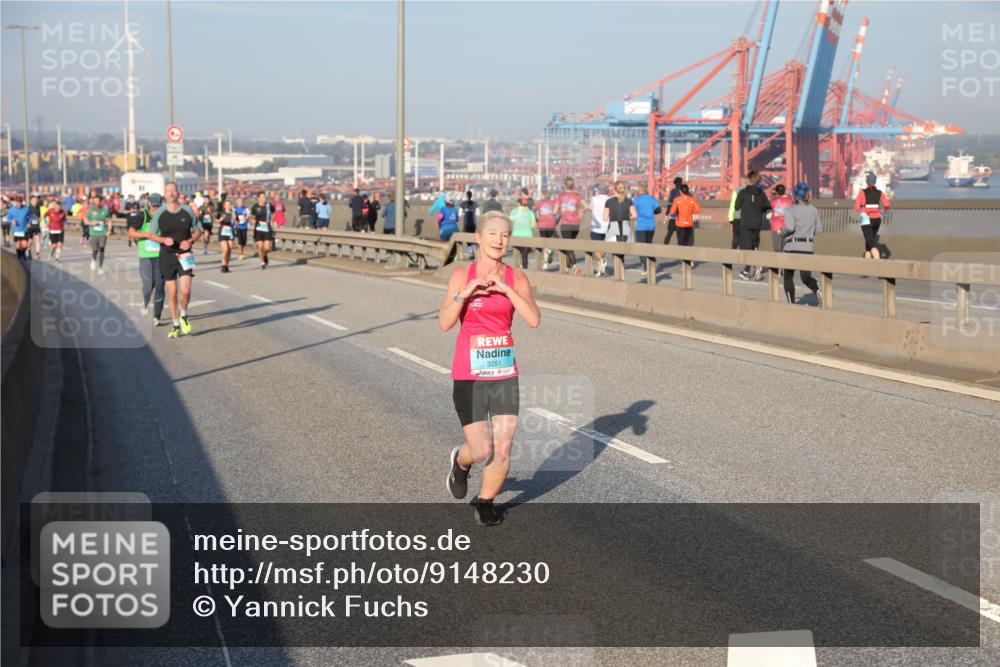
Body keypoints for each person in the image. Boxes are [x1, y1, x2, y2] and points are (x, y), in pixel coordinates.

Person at [440, 210, 541, 526]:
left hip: (503, 373)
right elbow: (444, 323)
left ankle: (485, 502)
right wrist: (465, 293)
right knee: (481, 449)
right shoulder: (461, 275)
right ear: (479, 238)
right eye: (493, 234)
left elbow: (534, 319)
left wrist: (507, 290)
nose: (499, 240)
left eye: (505, 235)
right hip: (469, 373)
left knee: (503, 446)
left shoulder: (517, 278)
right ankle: (461, 461)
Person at [140, 181, 200, 339]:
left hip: (185, 254)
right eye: (168, 191)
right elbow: (151, 234)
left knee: (185, 290)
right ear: (164, 195)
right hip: (167, 256)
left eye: (174, 190)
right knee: (172, 293)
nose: (171, 193)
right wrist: (163, 240)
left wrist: (191, 240)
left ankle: (184, 315)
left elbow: (198, 230)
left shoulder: (187, 210)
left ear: (178, 193)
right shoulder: (160, 213)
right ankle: (175, 325)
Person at [126, 194, 165, 325]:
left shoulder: (165, 216)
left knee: (160, 286)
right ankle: (146, 303)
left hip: (162, 257)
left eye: (158, 206)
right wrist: (146, 235)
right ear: (149, 204)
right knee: (148, 287)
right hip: (146, 256)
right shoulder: (142, 216)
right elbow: (130, 233)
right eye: (153, 205)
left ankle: (157, 316)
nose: (155, 208)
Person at [781, 182, 822, 305]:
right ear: (806, 195)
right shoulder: (814, 210)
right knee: (805, 277)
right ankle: (817, 289)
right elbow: (819, 230)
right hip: (807, 248)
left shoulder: (789, 210)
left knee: (788, 277)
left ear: (794, 195)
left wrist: (780, 231)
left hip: (792, 247)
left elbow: (789, 228)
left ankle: (791, 304)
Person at [735, 171, 770, 281]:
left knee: (747, 248)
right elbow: (767, 206)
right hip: (757, 223)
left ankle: (747, 270)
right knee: (754, 246)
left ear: (748, 180)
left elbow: (736, 207)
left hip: (745, 223)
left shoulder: (742, 193)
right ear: (758, 180)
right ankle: (756, 265)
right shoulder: (762, 193)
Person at [854, 172, 891, 259]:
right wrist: (882, 212)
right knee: (868, 243)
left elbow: (856, 207)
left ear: (867, 182)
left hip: (866, 219)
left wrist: (863, 211)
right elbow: (887, 204)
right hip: (877, 219)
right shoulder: (880, 193)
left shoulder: (862, 192)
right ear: (875, 182)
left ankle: (877, 264)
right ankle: (867, 266)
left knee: (871, 243)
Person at [84, 194, 111, 274]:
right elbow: (85, 220)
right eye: (94, 201)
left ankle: (100, 268)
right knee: (95, 250)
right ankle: (93, 259)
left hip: (102, 233)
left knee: (102, 250)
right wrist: (92, 223)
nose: (95, 202)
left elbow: (109, 220)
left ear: (101, 201)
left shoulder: (105, 210)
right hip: (93, 233)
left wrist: (109, 230)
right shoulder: (91, 210)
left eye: (97, 201)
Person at [508, 197, 537, 268]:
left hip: (516, 235)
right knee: (525, 254)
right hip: (528, 235)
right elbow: (533, 225)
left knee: (517, 252)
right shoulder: (530, 212)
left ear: (518, 203)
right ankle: (525, 267)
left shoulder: (514, 211)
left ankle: (517, 269)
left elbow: (509, 221)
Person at [589, 184, 611, 276]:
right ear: (607, 191)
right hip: (607, 227)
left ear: (598, 190)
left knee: (595, 248)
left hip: (596, 228)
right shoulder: (610, 199)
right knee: (602, 249)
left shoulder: (594, 199)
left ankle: (602, 261)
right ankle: (600, 269)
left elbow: (590, 208)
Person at [533, 191, 557, 268]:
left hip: (542, 224)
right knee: (547, 242)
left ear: (543, 196)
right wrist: (556, 221)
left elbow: (533, 211)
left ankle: (547, 259)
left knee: (544, 243)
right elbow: (558, 213)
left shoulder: (539, 202)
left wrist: (536, 220)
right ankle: (546, 261)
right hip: (552, 224)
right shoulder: (553, 202)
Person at [251, 191, 275, 270]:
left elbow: (274, 212)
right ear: (258, 198)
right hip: (258, 228)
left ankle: (264, 255)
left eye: (264, 197)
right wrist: (252, 220)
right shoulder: (255, 207)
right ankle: (262, 262)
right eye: (262, 197)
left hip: (267, 227)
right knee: (260, 246)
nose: (264, 198)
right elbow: (252, 217)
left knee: (268, 248)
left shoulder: (268, 205)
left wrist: (271, 220)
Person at [7, 197, 33, 262]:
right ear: (15, 202)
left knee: (25, 244)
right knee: (18, 244)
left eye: (20, 203)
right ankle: (19, 255)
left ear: (22, 202)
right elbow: (8, 218)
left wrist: (29, 222)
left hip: (24, 228)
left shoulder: (26, 209)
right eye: (17, 203)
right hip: (16, 229)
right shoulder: (12, 209)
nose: (19, 204)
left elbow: (31, 217)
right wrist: (12, 221)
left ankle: (23, 254)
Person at [769, 184, 793, 252]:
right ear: (784, 191)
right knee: (785, 247)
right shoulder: (790, 201)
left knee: (777, 249)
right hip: (786, 226)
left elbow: (770, 210)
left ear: (776, 192)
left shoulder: (773, 201)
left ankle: (777, 262)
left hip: (775, 226)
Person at [216, 198, 237, 273]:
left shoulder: (234, 213)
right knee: (225, 249)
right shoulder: (221, 212)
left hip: (230, 232)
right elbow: (216, 220)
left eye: (229, 204)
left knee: (229, 250)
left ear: (231, 206)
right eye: (226, 204)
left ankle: (226, 266)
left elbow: (237, 223)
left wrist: (235, 220)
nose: (228, 206)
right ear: (224, 205)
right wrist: (220, 220)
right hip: (223, 232)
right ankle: (223, 265)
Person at [664, 177, 683, 245]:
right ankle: (681, 250)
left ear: (675, 183)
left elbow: (670, 204)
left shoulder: (673, 192)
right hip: (681, 218)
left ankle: (665, 248)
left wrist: (666, 214)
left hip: (673, 217)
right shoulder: (684, 192)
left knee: (669, 234)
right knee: (680, 236)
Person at [728, 176, 745, 250]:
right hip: (747, 218)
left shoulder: (736, 191)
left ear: (741, 181)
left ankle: (733, 254)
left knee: (735, 236)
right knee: (745, 237)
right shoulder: (752, 191)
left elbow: (732, 206)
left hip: (737, 217)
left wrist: (730, 219)